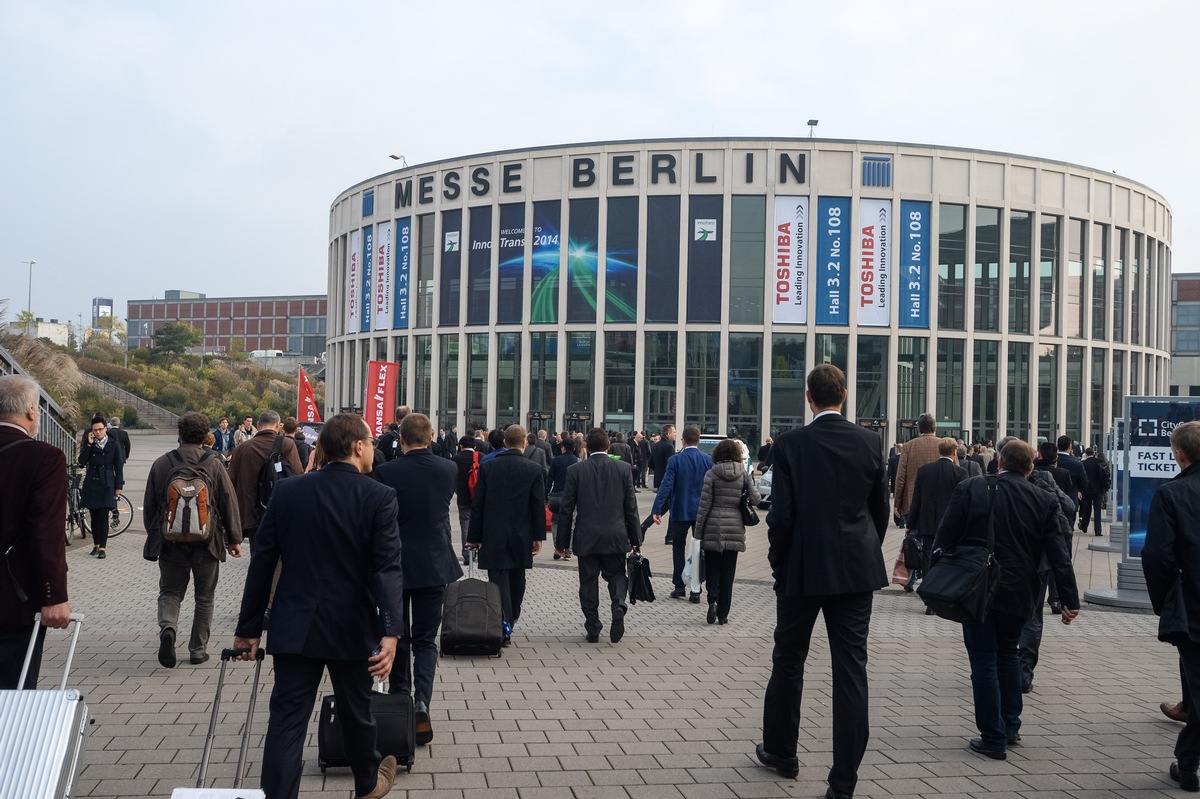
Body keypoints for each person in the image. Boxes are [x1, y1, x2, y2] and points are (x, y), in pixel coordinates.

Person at [231, 413, 403, 799]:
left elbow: (263, 562)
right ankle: (367, 783)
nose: (374, 449)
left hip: (295, 624)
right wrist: (390, 631)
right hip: (351, 625)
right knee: (357, 712)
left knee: (287, 723)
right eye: (371, 442)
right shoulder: (378, 496)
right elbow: (387, 569)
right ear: (358, 447)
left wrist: (248, 629)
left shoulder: (289, 492)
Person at [755, 364, 888, 796]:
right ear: (844, 395)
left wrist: (779, 563)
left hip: (802, 568)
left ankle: (782, 752)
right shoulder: (871, 442)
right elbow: (879, 512)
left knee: (789, 659)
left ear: (809, 398)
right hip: (855, 570)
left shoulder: (791, 444)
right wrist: (864, 549)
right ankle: (844, 781)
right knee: (851, 670)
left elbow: (781, 516)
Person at [935, 439, 1079, 761]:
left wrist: (937, 580)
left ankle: (992, 736)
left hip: (977, 588)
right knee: (1009, 654)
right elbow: (1059, 553)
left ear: (999, 462)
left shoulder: (972, 488)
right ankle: (1011, 726)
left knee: (984, 659)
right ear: (1030, 467)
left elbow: (946, 535)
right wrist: (1069, 598)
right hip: (1020, 592)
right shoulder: (1044, 500)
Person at [373, 412, 461, 745]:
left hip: (394, 565)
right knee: (426, 640)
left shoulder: (385, 472)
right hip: (434, 563)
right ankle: (423, 700)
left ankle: (400, 699)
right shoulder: (447, 469)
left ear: (402, 438)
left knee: (396, 634)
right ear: (430, 438)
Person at [143, 412, 242, 668]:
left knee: (170, 591)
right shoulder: (214, 464)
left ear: (180, 432)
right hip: (207, 543)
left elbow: (151, 505)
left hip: (171, 543)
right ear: (204, 434)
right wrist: (234, 539)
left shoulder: (162, 463)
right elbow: (228, 502)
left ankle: (169, 628)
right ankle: (198, 650)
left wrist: (158, 536)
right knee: (205, 597)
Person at [0, 375, 70, 690]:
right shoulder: (44, 459)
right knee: (12, 705)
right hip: (14, 603)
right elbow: (46, 533)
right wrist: (55, 597)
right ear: (31, 411)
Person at [1142, 421, 1200, 790]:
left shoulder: (1172, 494)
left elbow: (1158, 556)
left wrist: (1165, 600)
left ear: (1178, 453)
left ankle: (1189, 762)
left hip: (1193, 605)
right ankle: (1188, 762)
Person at [554, 427, 641, 643]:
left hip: (587, 536)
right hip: (616, 535)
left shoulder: (576, 470)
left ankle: (593, 626)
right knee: (617, 575)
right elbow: (631, 507)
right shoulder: (623, 469)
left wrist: (562, 543)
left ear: (585, 447)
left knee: (588, 581)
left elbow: (567, 509)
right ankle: (619, 603)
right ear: (608, 446)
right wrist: (636, 540)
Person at [467, 424, 546, 645]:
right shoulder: (533, 469)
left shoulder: (489, 467)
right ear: (524, 443)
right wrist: (538, 536)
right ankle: (509, 620)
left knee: (497, 582)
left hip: (493, 534)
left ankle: (503, 621)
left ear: (504, 442)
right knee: (517, 580)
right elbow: (537, 505)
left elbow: (478, 505)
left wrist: (473, 537)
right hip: (522, 534)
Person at [694, 438, 761, 626]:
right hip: (735, 528)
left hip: (713, 527)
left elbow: (704, 505)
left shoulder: (711, 473)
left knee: (712, 568)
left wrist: (698, 532)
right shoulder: (744, 474)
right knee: (728, 573)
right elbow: (756, 499)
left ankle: (712, 601)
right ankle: (723, 614)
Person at [651, 426, 713, 601]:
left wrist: (657, 509)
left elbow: (666, 485)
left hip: (680, 510)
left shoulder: (675, 460)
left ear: (683, 441)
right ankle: (696, 589)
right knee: (699, 549)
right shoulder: (707, 460)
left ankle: (679, 586)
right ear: (698, 440)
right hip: (701, 512)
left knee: (678, 547)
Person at [227, 409, 304, 550]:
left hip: (252, 515)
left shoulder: (242, 449)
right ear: (277, 425)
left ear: (258, 424)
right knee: (280, 560)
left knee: (257, 558)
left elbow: (230, 483)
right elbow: (298, 476)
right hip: (281, 512)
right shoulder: (286, 445)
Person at [905, 437, 967, 597]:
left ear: (939, 451)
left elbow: (916, 500)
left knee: (928, 557)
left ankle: (928, 593)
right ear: (954, 453)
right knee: (948, 557)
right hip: (951, 524)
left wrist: (910, 524)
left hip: (928, 522)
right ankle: (945, 591)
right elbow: (964, 502)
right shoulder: (961, 473)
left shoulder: (925, 470)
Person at [79, 412, 126, 559]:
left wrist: (118, 487)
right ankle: (96, 544)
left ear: (106, 428)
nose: (98, 432)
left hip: (107, 481)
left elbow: (118, 466)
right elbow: (81, 461)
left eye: (100, 429)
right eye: (95, 430)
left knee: (103, 515)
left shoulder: (114, 444)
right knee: (93, 515)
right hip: (92, 481)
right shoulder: (90, 443)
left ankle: (103, 548)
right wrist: (88, 444)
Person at [893, 413, 939, 525]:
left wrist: (897, 504)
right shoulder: (943, 445)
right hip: (938, 501)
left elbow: (900, 477)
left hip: (912, 501)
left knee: (913, 538)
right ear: (934, 428)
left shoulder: (908, 446)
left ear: (918, 429)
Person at [546, 436, 580, 560]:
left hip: (556, 496)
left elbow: (550, 480)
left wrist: (546, 495)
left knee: (555, 521)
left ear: (563, 448)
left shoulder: (556, 460)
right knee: (571, 522)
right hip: (571, 496)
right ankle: (567, 550)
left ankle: (557, 547)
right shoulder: (578, 461)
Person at [451, 435, 480, 564]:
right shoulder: (481, 457)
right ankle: (478, 551)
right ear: (474, 446)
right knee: (480, 524)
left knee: (465, 525)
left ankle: (467, 554)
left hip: (463, 498)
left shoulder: (455, 459)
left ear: (461, 446)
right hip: (479, 497)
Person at [1055, 434, 1089, 528]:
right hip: (1070, 501)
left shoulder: (1052, 460)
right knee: (1068, 532)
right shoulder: (1077, 463)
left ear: (1057, 446)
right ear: (1070, 447)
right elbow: (1084, 483)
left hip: (1052, 501)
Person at [1080, 447, 1110, 537]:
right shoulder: (1099, 462)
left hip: (1087, 490)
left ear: (1086, 454)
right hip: (1098, 490)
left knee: (1086, 509)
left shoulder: (1083, 463)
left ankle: (1084, 526)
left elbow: (1081, 477)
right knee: (1097, 511)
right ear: (1093, 453)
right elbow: (1103, 475)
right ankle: (1098, 530)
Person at [650, 423, 676, 490]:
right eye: (674, 432)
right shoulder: (669, 446)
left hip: (658, 478)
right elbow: (670, 465)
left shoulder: (656, 445)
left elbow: (650, 463)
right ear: (668, 434)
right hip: (667, 480)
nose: (675, 434)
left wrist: (658, 470)